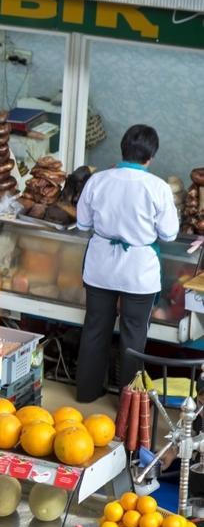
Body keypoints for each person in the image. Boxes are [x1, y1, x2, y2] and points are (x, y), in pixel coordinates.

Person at [75, 125, 179, 404]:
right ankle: (127, 406)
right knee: (133, 338)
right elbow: (169, 234)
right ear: (151, 155)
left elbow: (83, 223)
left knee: (95, 328)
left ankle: (86, 393)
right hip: (138, 272)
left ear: (122, 149)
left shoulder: (97, 181)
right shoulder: (158, 187)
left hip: (100, 267)